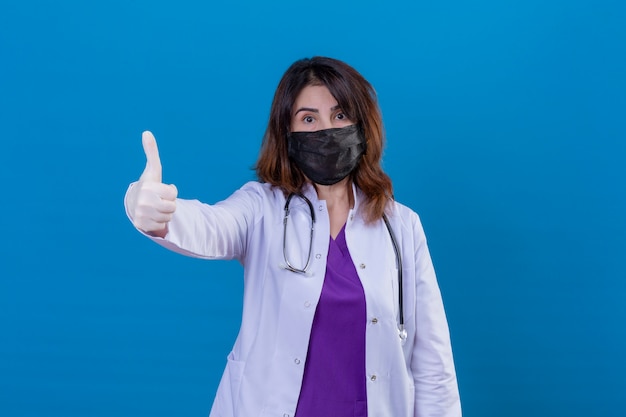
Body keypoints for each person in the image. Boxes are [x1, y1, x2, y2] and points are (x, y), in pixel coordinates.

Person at [124, 56, 461, 417]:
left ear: (363, 126)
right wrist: (152, 210)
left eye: (340, 115)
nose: (327, 130)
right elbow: (210, 225)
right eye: (309, 118)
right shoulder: (261, 209)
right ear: (288, 132)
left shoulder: (402, 227)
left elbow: (433, 366)